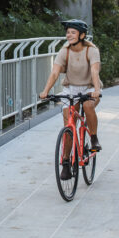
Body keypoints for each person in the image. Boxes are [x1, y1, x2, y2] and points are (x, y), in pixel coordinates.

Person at [38, 19, 103, 181]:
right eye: (68, 32)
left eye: (73, 32)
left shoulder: (91, 50)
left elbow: (95, 71)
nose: (69, 35)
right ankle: (66, 162)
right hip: (70, 88)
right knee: (69, 125)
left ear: (82, 35)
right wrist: (46, 91)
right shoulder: (65, 51)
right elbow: (55, 73)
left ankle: (93, 138)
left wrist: (96, 90)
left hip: (89, 87)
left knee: (88, 107)